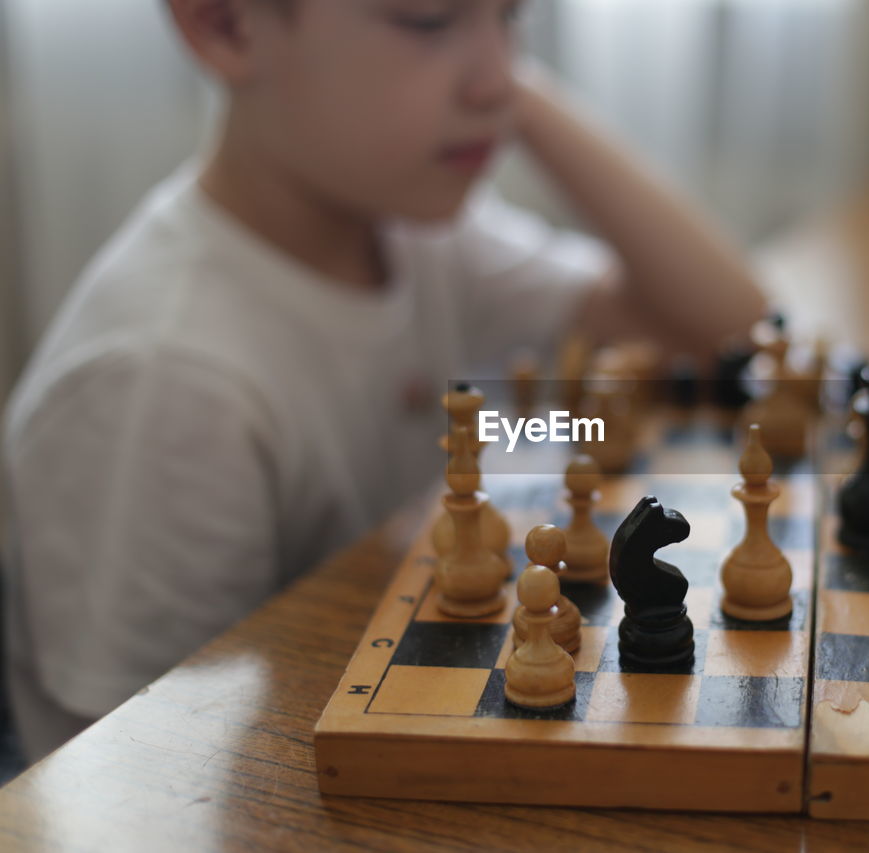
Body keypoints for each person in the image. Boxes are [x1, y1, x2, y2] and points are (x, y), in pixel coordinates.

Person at [1, 0, 766, 761]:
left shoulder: (413, 232)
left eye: (511, 16)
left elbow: (730, 329)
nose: (497, 79)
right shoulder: (165, 381)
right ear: (226, 24)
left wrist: (522, 102)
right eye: (429, 20)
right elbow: (130, 777)